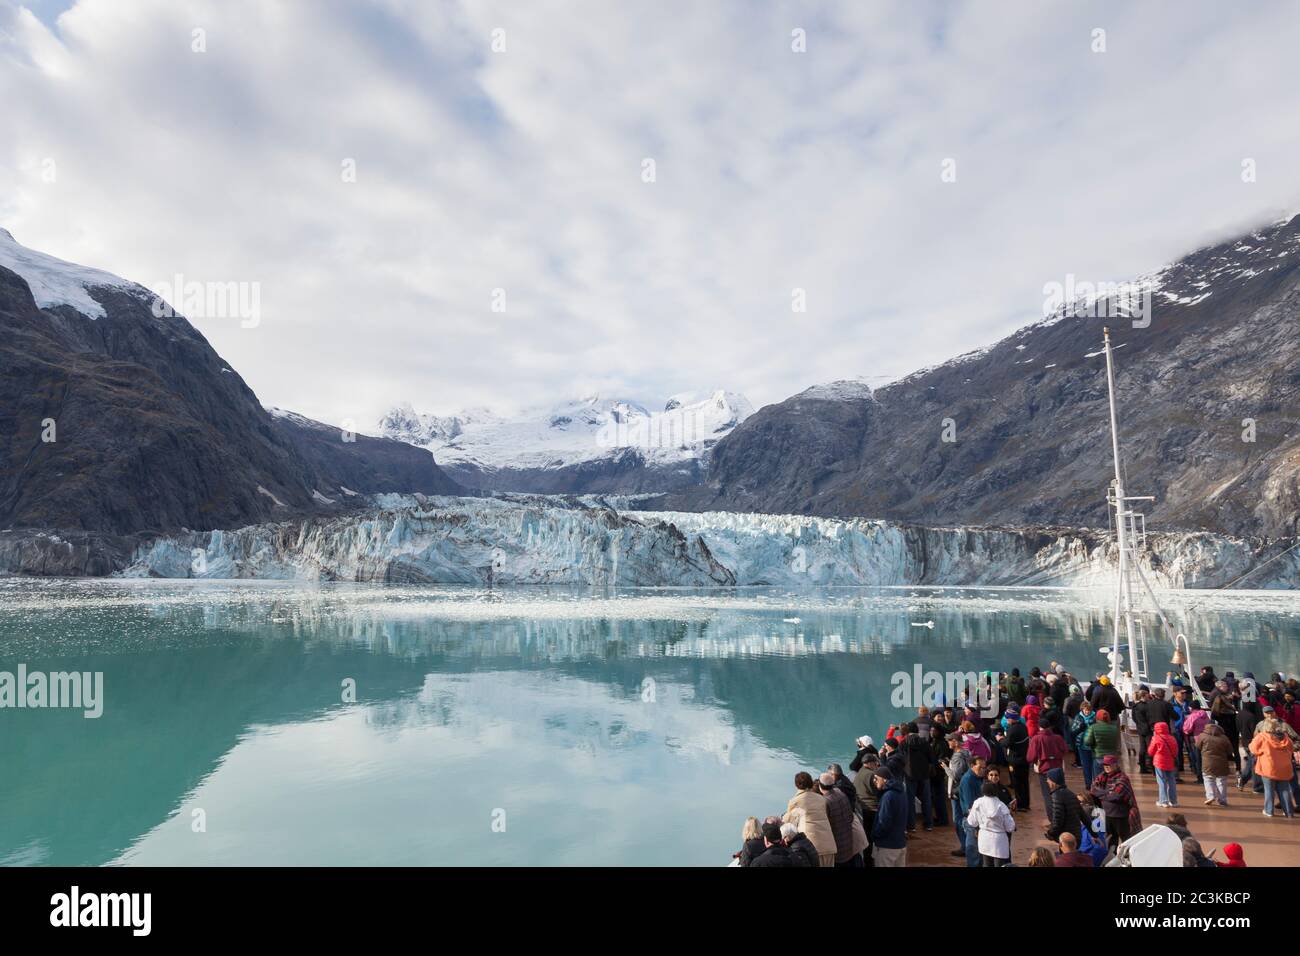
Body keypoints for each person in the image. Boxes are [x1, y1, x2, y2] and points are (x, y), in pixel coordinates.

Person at [783, 771, 837, 866]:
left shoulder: (795, 801)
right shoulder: (821, 799)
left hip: (813, 847)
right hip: (829, 844)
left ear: (797, 785)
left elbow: (788, 822)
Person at [966, 780, 1016, 867]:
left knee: (986, 864)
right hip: (999, 840)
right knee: (999, 865)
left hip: (984, 838)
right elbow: (1010, 827)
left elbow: (972, 822)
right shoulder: (1002, 806)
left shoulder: (978, 802)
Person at [1249, 728, 1297, 818]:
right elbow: (1291, 750)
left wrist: (1260, 752)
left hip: (1268, 767)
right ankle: (1289, 812)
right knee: (1285, 790)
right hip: (1284, 767)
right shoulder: (1286, 738)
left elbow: (1253, 749)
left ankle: (1269, 811)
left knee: (1269, 790)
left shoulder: (1262, 736)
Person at [1090, 755, 1136, 849]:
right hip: (1107, 815)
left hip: (1121, 816)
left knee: (1126, 841)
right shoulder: (1101, 777)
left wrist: (1101, 794)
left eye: (1109, 765)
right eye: (1105, 765)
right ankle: (1112, 859)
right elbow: (1093, 790)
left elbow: (1116, 796)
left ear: (1115, 765)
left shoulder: (1123, 778)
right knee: (1111, 841)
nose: (1106, 767)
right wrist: (1107, 793)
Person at [1027, 722, 1068, 824]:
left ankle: (1053, 821)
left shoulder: (1036, 739)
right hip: (1058, 769)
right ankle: (1063, 818)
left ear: (1039, 727)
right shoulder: (1058, 738)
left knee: (1048, 796)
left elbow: (1030, 757)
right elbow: (1065, 750)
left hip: (1044, 770)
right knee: (1061, 794)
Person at [817, 772, 858, 867]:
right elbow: (850, 818)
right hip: (848, 843)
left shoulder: (825, 802)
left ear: (820, 786)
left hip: (836, 847)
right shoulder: (842, 795)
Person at [870, 767, 908, 867]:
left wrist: (875, 835)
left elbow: (884, 822)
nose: (874, 781)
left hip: (887, 846)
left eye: (876, 778)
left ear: (884, 779)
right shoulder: (901, 792)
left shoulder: (888, 796)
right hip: (900, 843)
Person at [901, 723, 934, 830]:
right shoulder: (924, 742)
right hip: (924, 774)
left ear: (907, 731)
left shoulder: (904, 743)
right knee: (926, 800)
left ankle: (911, 826)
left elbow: (900, 759)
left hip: (909, 774)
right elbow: (931, 758)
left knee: (910, 801)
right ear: (917, 731)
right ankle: (928, 824)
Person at [999, 706, 1031, 812]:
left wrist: (1000, 739)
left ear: (1012, 718)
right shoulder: (1023, 726)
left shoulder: (1012, 729)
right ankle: (1025, 803)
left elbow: (1006, 743)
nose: (1007, 720)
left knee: (1018, 783)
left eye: (1008, 718)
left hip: (1015, 760)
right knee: (1025, 782)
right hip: (1024, 759)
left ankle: (1021, 805)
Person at [958, 757, 989, 868]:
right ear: (972, 766)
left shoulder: (979, 778)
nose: (983, 770)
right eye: (980, 767)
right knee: (974, 853)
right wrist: (977, 826)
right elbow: (970, 806)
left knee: (980, 853)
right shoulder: (968, 780)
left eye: (984, 768)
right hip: (972, 821)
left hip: (980, 820)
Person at [1043, 768, 1084, 842]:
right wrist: (1094, 835)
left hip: (1066, 839)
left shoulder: (1057, 796)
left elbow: (1058, 820)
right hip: (1076, 837)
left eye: (1048, 779)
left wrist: (1050, 833)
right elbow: (1083, 816)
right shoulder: (1071, 794)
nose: (1047, 781)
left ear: (1053, 781)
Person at [1198, 721, 1232, 807]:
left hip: (1207, 763)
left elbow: (1197, 746)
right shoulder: (1224, 737)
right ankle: (1222, 800)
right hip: (1222, 763)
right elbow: (1230, 751)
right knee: (1221, 781)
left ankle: (1210, 796)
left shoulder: (1202, 736)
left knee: (1208, 779)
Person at [1149, 721, 1180, 807]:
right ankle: (1173, 801)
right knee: (1171, 781)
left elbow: (1150, 752)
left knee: (1162, 781)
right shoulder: (1172, 738)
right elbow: (1176, 751)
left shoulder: (1155, 738)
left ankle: (1163, 801)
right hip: (1170, 762)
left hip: (1159, 762)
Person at [1182, 699, 1209, 784]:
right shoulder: (1205, 715)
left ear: (1191, 708)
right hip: (1205, 738)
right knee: (1205, 758)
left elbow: (1186, 729)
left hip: (1196, 739)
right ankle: (1207, 776)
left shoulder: (1192, 716)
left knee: (1198, 759)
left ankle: (1200, 778)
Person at [1071, 700, 1097, 789]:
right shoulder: (1078, 717)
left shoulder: (1095, 717)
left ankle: (1095, 784)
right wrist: (1080, 728)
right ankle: (1088, 784)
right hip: (1082, 745)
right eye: (1085, 710)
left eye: (1089, 710)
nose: (1087, 712)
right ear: (1082, 709)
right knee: (1086, 766)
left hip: (1094, 746)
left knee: (1094, 766)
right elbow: (1073, 731)